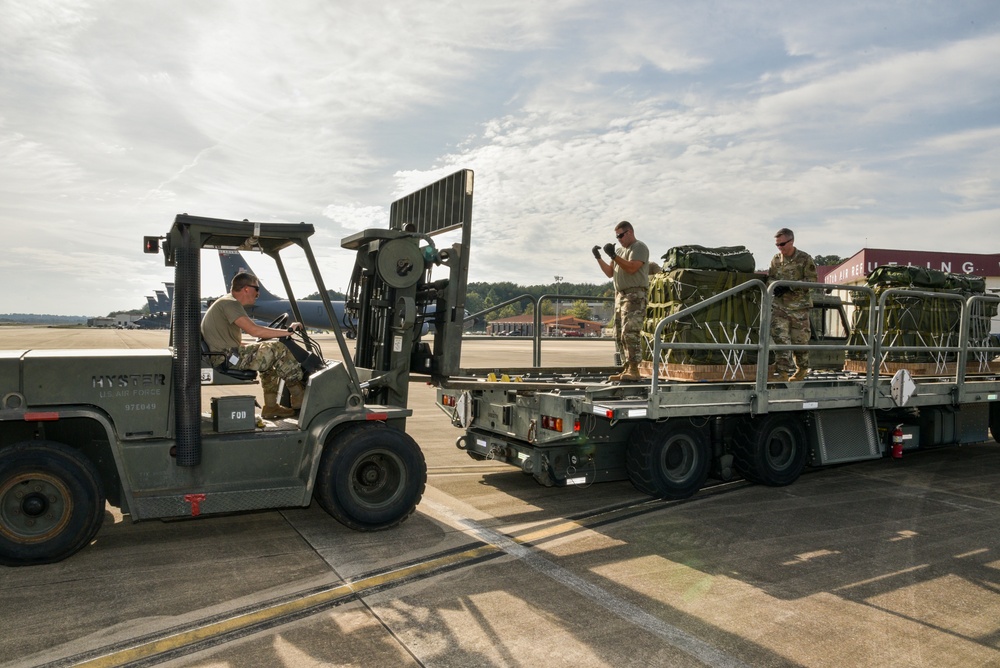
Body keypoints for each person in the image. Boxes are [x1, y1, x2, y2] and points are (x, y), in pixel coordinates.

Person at [201, 272, 306, 419]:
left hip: (226, 356)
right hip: (226, 358)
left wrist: (263, 342)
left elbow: (234, 341)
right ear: (246, 289)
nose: (258, 293)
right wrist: (288, 331)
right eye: (256, 289)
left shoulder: (226, 303)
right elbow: (254, 331)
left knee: (268, 360)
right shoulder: (230, 303)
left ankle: (271, 407)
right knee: (279, 349)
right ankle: (298, 396)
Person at [593, 221, 649, 382]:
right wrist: (599, 258)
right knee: (619, 334)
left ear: (630, 232)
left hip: (635, 295)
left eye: (621, 235)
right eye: (616, 236)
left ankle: (634, 369)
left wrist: (614, 256)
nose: (618, 239)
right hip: (620, 296)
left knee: (630, 332)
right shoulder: (619, 251)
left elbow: (632, 268)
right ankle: (626, 368)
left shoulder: (639, 247)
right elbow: (610, 273)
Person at [767, 228, 818, 382]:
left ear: (791, 241)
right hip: (780, 307)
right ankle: (782, 372)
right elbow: (770, 278)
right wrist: (775, 285)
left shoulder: (804, 258)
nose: (780, 247)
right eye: (777, 245)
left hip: (799, 308)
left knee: (799, 341)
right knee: (780, 338)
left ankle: (801, 369)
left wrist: (790, 285)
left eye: (782, 244)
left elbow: (812, 281)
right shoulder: (776, 260)